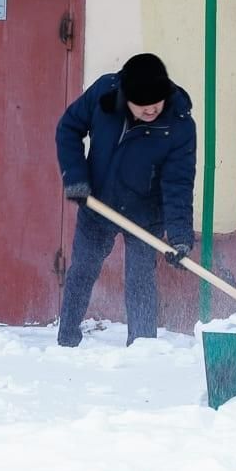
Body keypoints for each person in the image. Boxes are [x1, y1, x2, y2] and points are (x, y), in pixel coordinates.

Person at [54, 53, 197, 347]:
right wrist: (75, 177)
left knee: (140, 279)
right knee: (82, 269)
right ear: (126, 98)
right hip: (98, 203)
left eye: (157, 102)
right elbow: (68, 129)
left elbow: (178, 183)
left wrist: (180, 237)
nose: (151, 109)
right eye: (143, 104)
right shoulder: (103, 95)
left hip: (146, 213)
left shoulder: (179, 124)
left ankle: (142, 348)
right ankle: (66, 340)